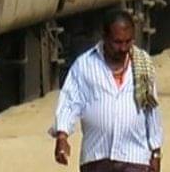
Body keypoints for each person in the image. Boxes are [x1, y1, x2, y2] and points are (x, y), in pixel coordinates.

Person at [51, 9, 163, 172]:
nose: (123, 48)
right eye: (117, 42)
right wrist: (62, 136)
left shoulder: (142, 64)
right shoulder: (85, 65)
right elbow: (70, 101)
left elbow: (151, 111)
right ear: (104, 37)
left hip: (135, 158)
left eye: (128, 42)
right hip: (97, 157)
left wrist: (156, 152)